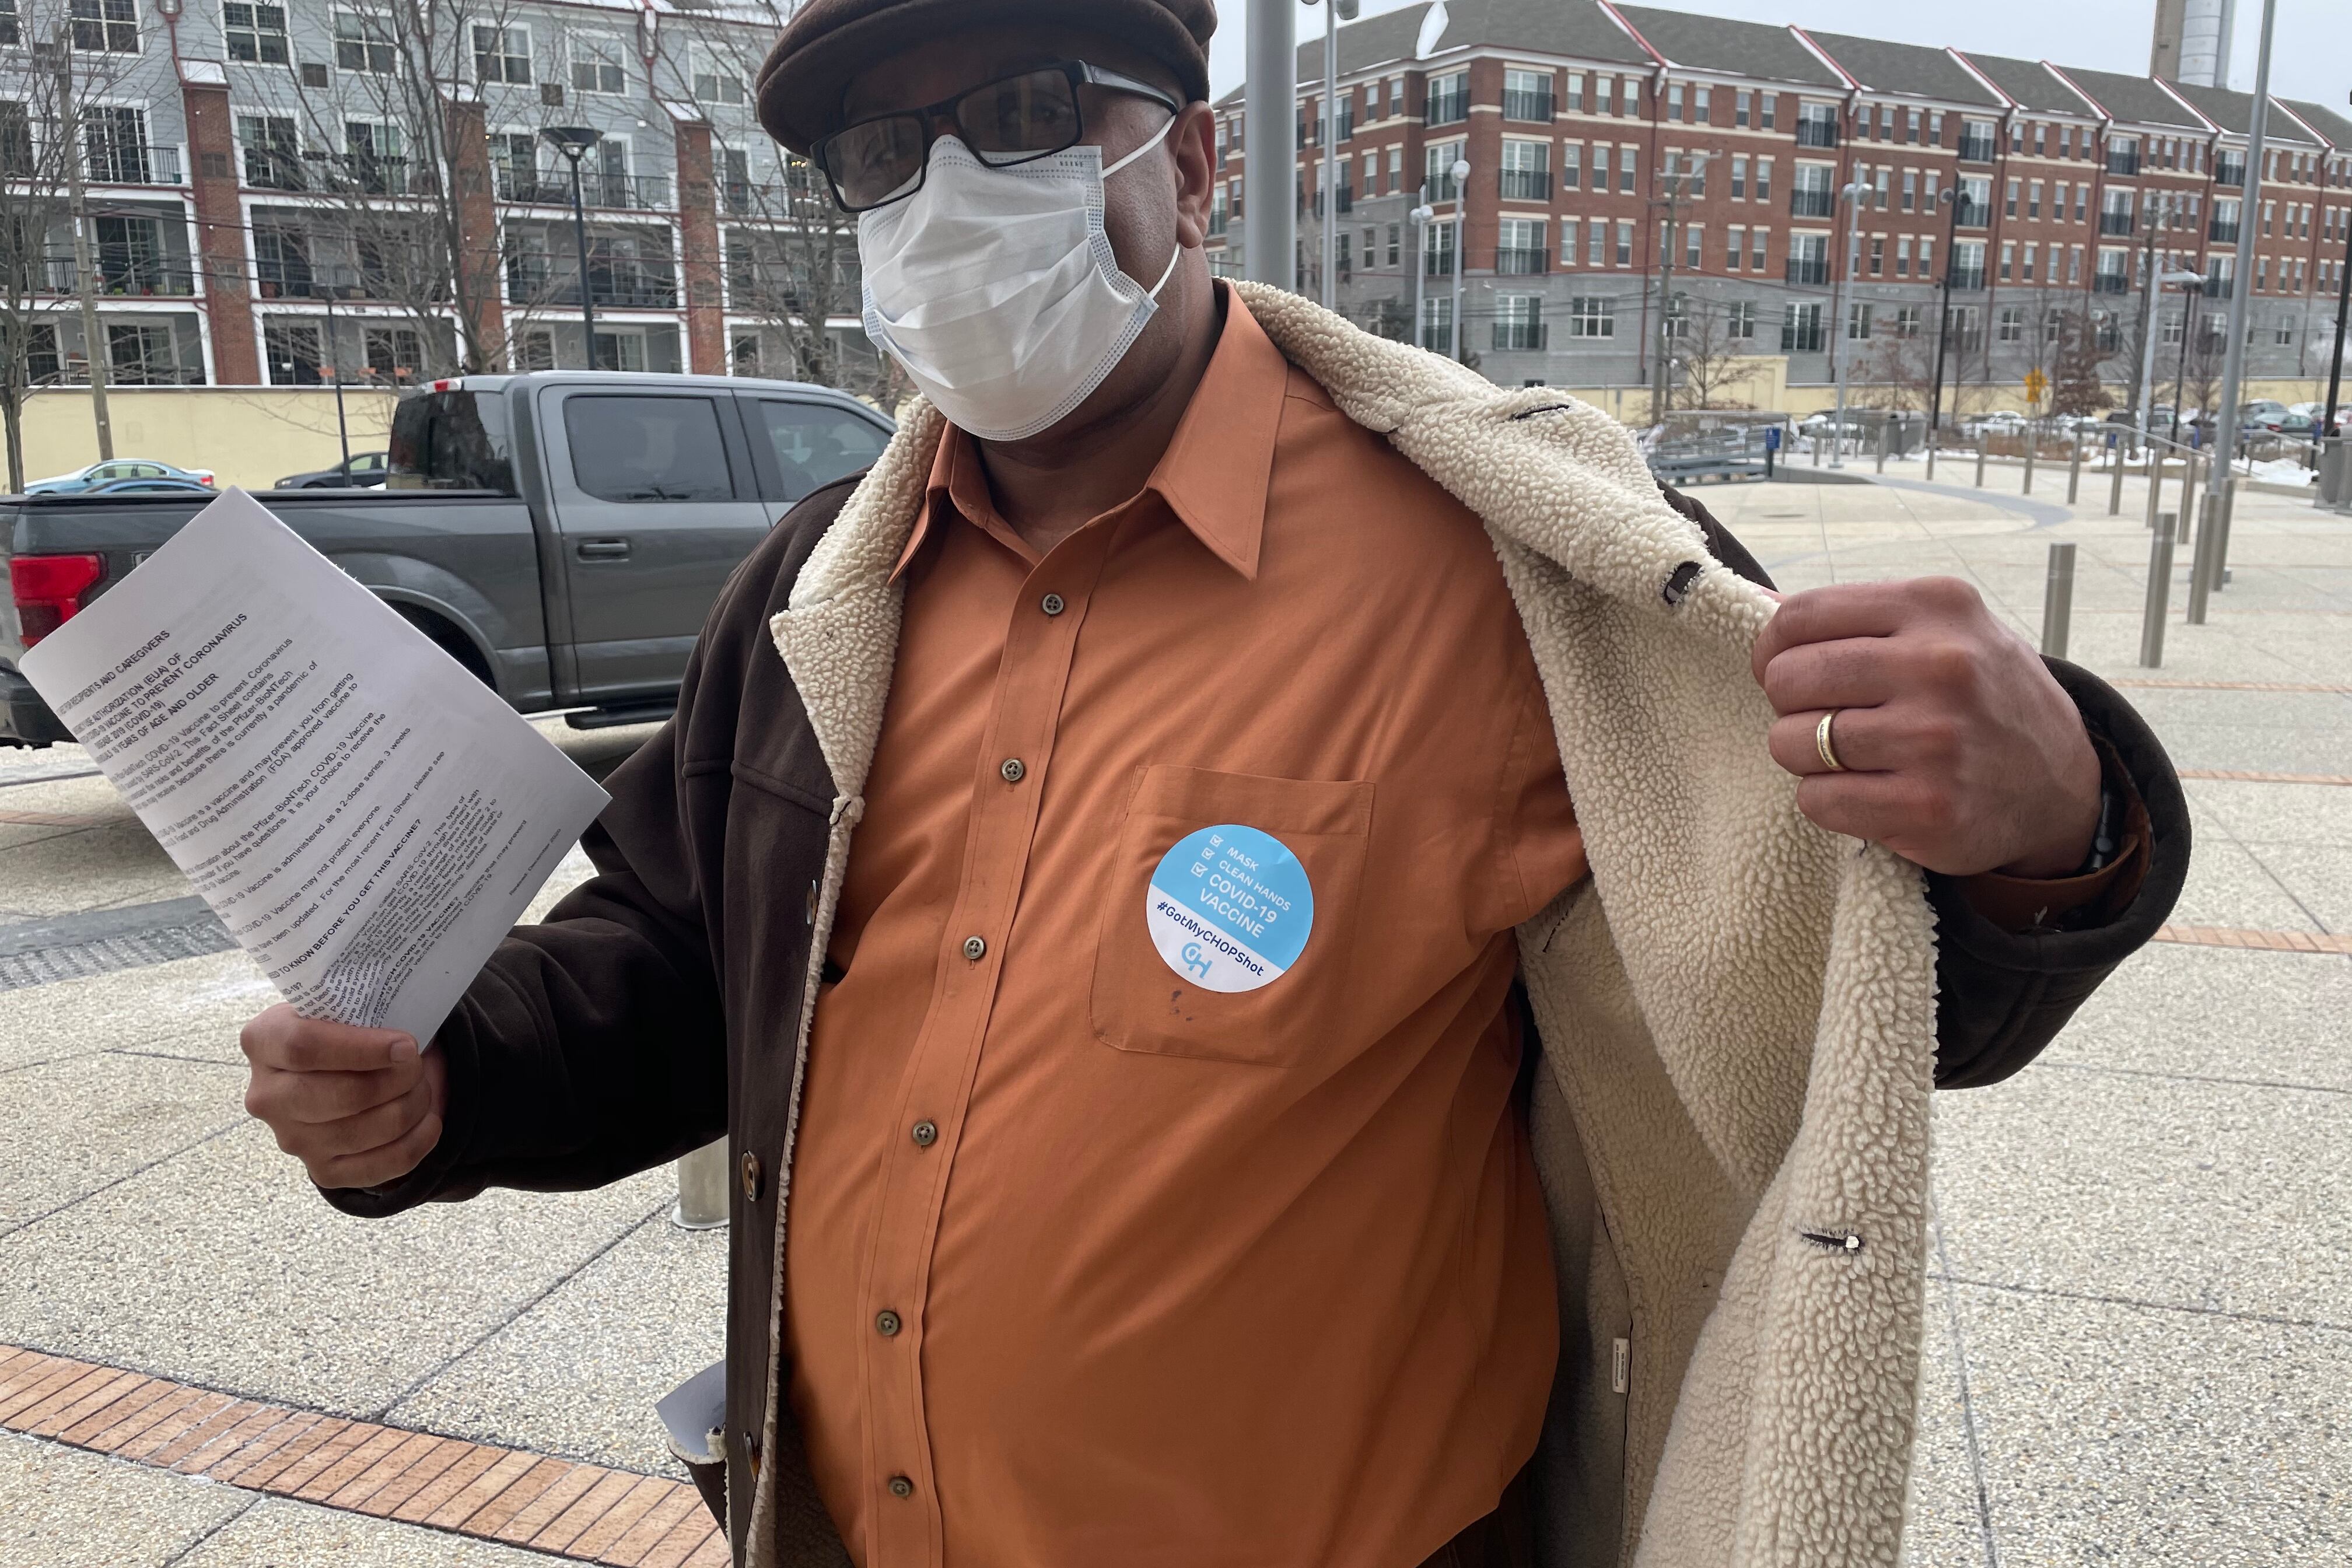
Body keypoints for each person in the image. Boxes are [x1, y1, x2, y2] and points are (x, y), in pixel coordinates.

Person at [237, 4, 2188, 1564]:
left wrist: (2057, 814)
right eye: (880, 152)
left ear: (1188, 154)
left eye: (1017, 108)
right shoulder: (824, 587)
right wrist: (447, 1081)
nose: (943, 194)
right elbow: (674, 956)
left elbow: (1833, 982)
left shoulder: (1512, 557)